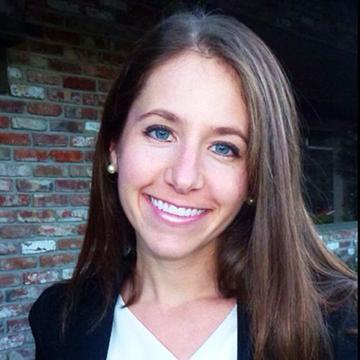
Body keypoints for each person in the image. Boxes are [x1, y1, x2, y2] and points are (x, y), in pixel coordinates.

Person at [29, 10, 357, 360]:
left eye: (224, 148)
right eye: (160, 132)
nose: (184, 178)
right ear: (115, 147)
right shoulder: (58, 320)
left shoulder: (338, 329)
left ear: (255, 179)